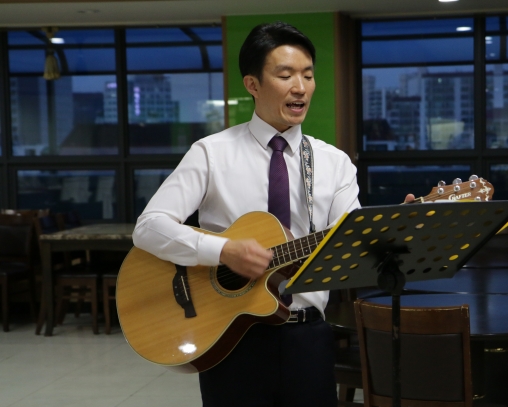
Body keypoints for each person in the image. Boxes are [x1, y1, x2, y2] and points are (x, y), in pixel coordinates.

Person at [133, 21, 413, 406]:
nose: (300, 87)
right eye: (285, 75)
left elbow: (352, 247)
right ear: (253, 84)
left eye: (308, 75)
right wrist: (223, 251)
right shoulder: (210, 153)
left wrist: (395, 227)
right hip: (230, 337)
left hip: (307, 338)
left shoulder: (334, 163)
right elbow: (149, 227)